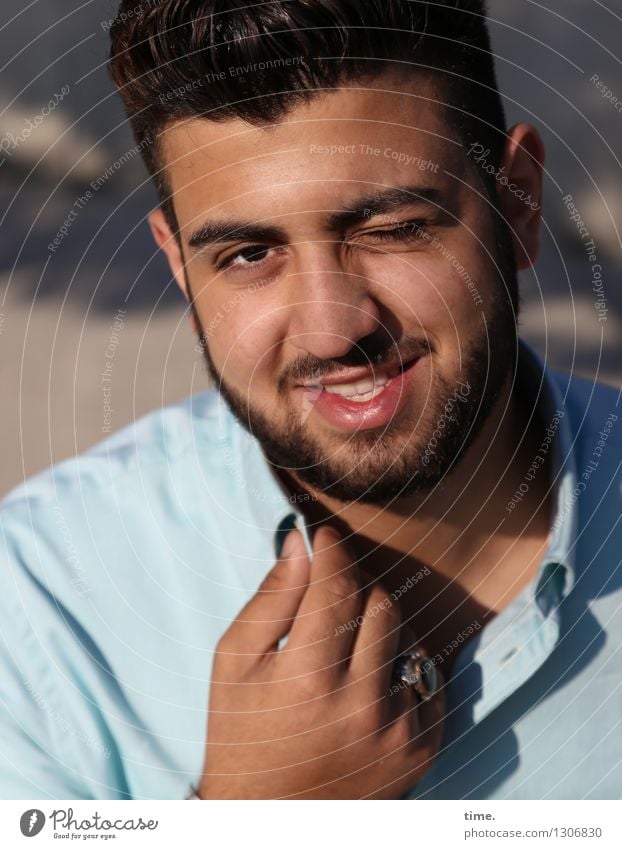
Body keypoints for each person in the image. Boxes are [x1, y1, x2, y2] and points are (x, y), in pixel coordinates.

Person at [1, 0, 620, 801]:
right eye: (249, 253)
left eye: (394, 228)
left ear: (520, 202)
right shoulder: (39, 602)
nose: (332, 331)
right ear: (181, 269)